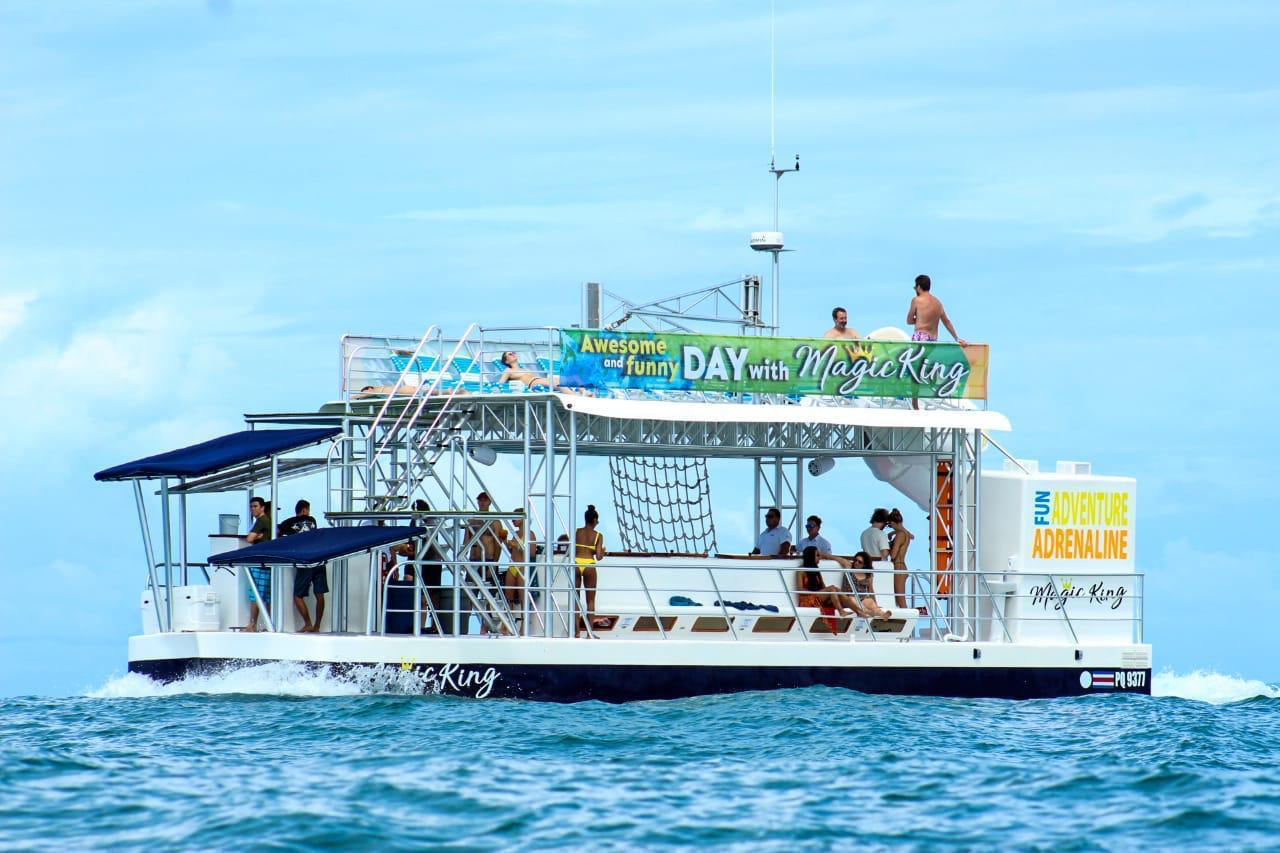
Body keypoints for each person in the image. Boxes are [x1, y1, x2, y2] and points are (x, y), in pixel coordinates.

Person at [279, 500, 325, 633]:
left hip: (305, 560)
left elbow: (277, 534)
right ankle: (317, 626)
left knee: (297, 596)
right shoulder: (312, 520)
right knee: (319, 594)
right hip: (319, 558)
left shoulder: (288, 523)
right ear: (305, 510)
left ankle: (308, 623)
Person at [465, 491, 508, 635]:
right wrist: (463, 563)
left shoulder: (495, 521)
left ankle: (485, 626)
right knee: (468, 596)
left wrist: (494, 564)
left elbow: (498, 544)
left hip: (488, 561)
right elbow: (466, 543)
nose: (482, 502)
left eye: (485, 500)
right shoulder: (472, 520)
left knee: (489, 597)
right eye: (480, 500)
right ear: (477, 501)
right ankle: (463, 627)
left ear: (489, 502)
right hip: (474, 561)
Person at [794, 547, 867, 627]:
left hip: (817, 596)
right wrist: (817, 592)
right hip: (807, 600)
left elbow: (823, 587)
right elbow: (800, 589)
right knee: (832, 588)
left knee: (837, 590)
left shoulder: (816, 570)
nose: (820, 557)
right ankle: (841, 611)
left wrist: (829, 594)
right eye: (817, 555)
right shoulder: (801, 571)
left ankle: (858, 611)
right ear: (811, 557)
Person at [574, 504, 609, 635]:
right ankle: (589, 633)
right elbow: (599, 557)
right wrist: (602, 551)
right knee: (590, 600)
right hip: (588, 563)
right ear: (594, 521)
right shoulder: (598, 535)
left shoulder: (577, 531)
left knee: (575, 599)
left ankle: (576, 632)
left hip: (576, 563)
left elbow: (571, 550)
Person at [240, 496, 272, 632]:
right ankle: (268, 624)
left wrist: (255, 538)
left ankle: (252, 624)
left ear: (262, 507)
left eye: (255, 506)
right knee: (266, 596)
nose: (253, 509)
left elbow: (249, 538)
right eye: (251, 507)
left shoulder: (261, 520)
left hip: (260, 563)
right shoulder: (268, 520)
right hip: (268, 563)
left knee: (256, 595)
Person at [906, 274, 967, 345]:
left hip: (921, 337)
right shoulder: (938, 303)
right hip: (934, 341)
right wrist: (957, 338)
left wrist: (921, 319)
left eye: (915, 287)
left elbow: (909, 321)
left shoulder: (916, 300)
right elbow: (947, 322)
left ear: (919, 287)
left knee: (914, 355)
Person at [496, 351, 581, 394]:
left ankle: (585, 393)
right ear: (506, 361)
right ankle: (575, 397)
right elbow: (501, 383)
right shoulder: (508, 371)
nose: (513, 354)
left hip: (539, 380)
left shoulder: (525, 369)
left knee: (574, 377)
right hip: (533, 383)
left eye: (513, 353)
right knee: (557, 383)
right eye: (510, 354)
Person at [843, 550, 892, 619]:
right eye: (855, 560)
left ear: (864, 564)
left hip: (861, 598)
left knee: (870, 602)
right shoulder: (849, 567)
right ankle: (868, 612)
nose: (856, 563)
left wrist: (876, 604)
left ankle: (883, 614)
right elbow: (839, 559)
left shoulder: (868, 574)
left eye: (860, 562)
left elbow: (870, 590)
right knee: (852, 599)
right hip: (848, 598)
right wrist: (826, 556)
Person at [886, 508, 914, 609]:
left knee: (901, 601)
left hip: (898, 567)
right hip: (902, 566)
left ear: (893, 522)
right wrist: (893, 533)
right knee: (899, 601)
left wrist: (886, 548)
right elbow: (912, 536)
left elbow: (893, 555)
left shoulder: (900, 535)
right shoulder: (905, 533)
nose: (890, 527)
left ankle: (910, 623)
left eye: (890, 525)